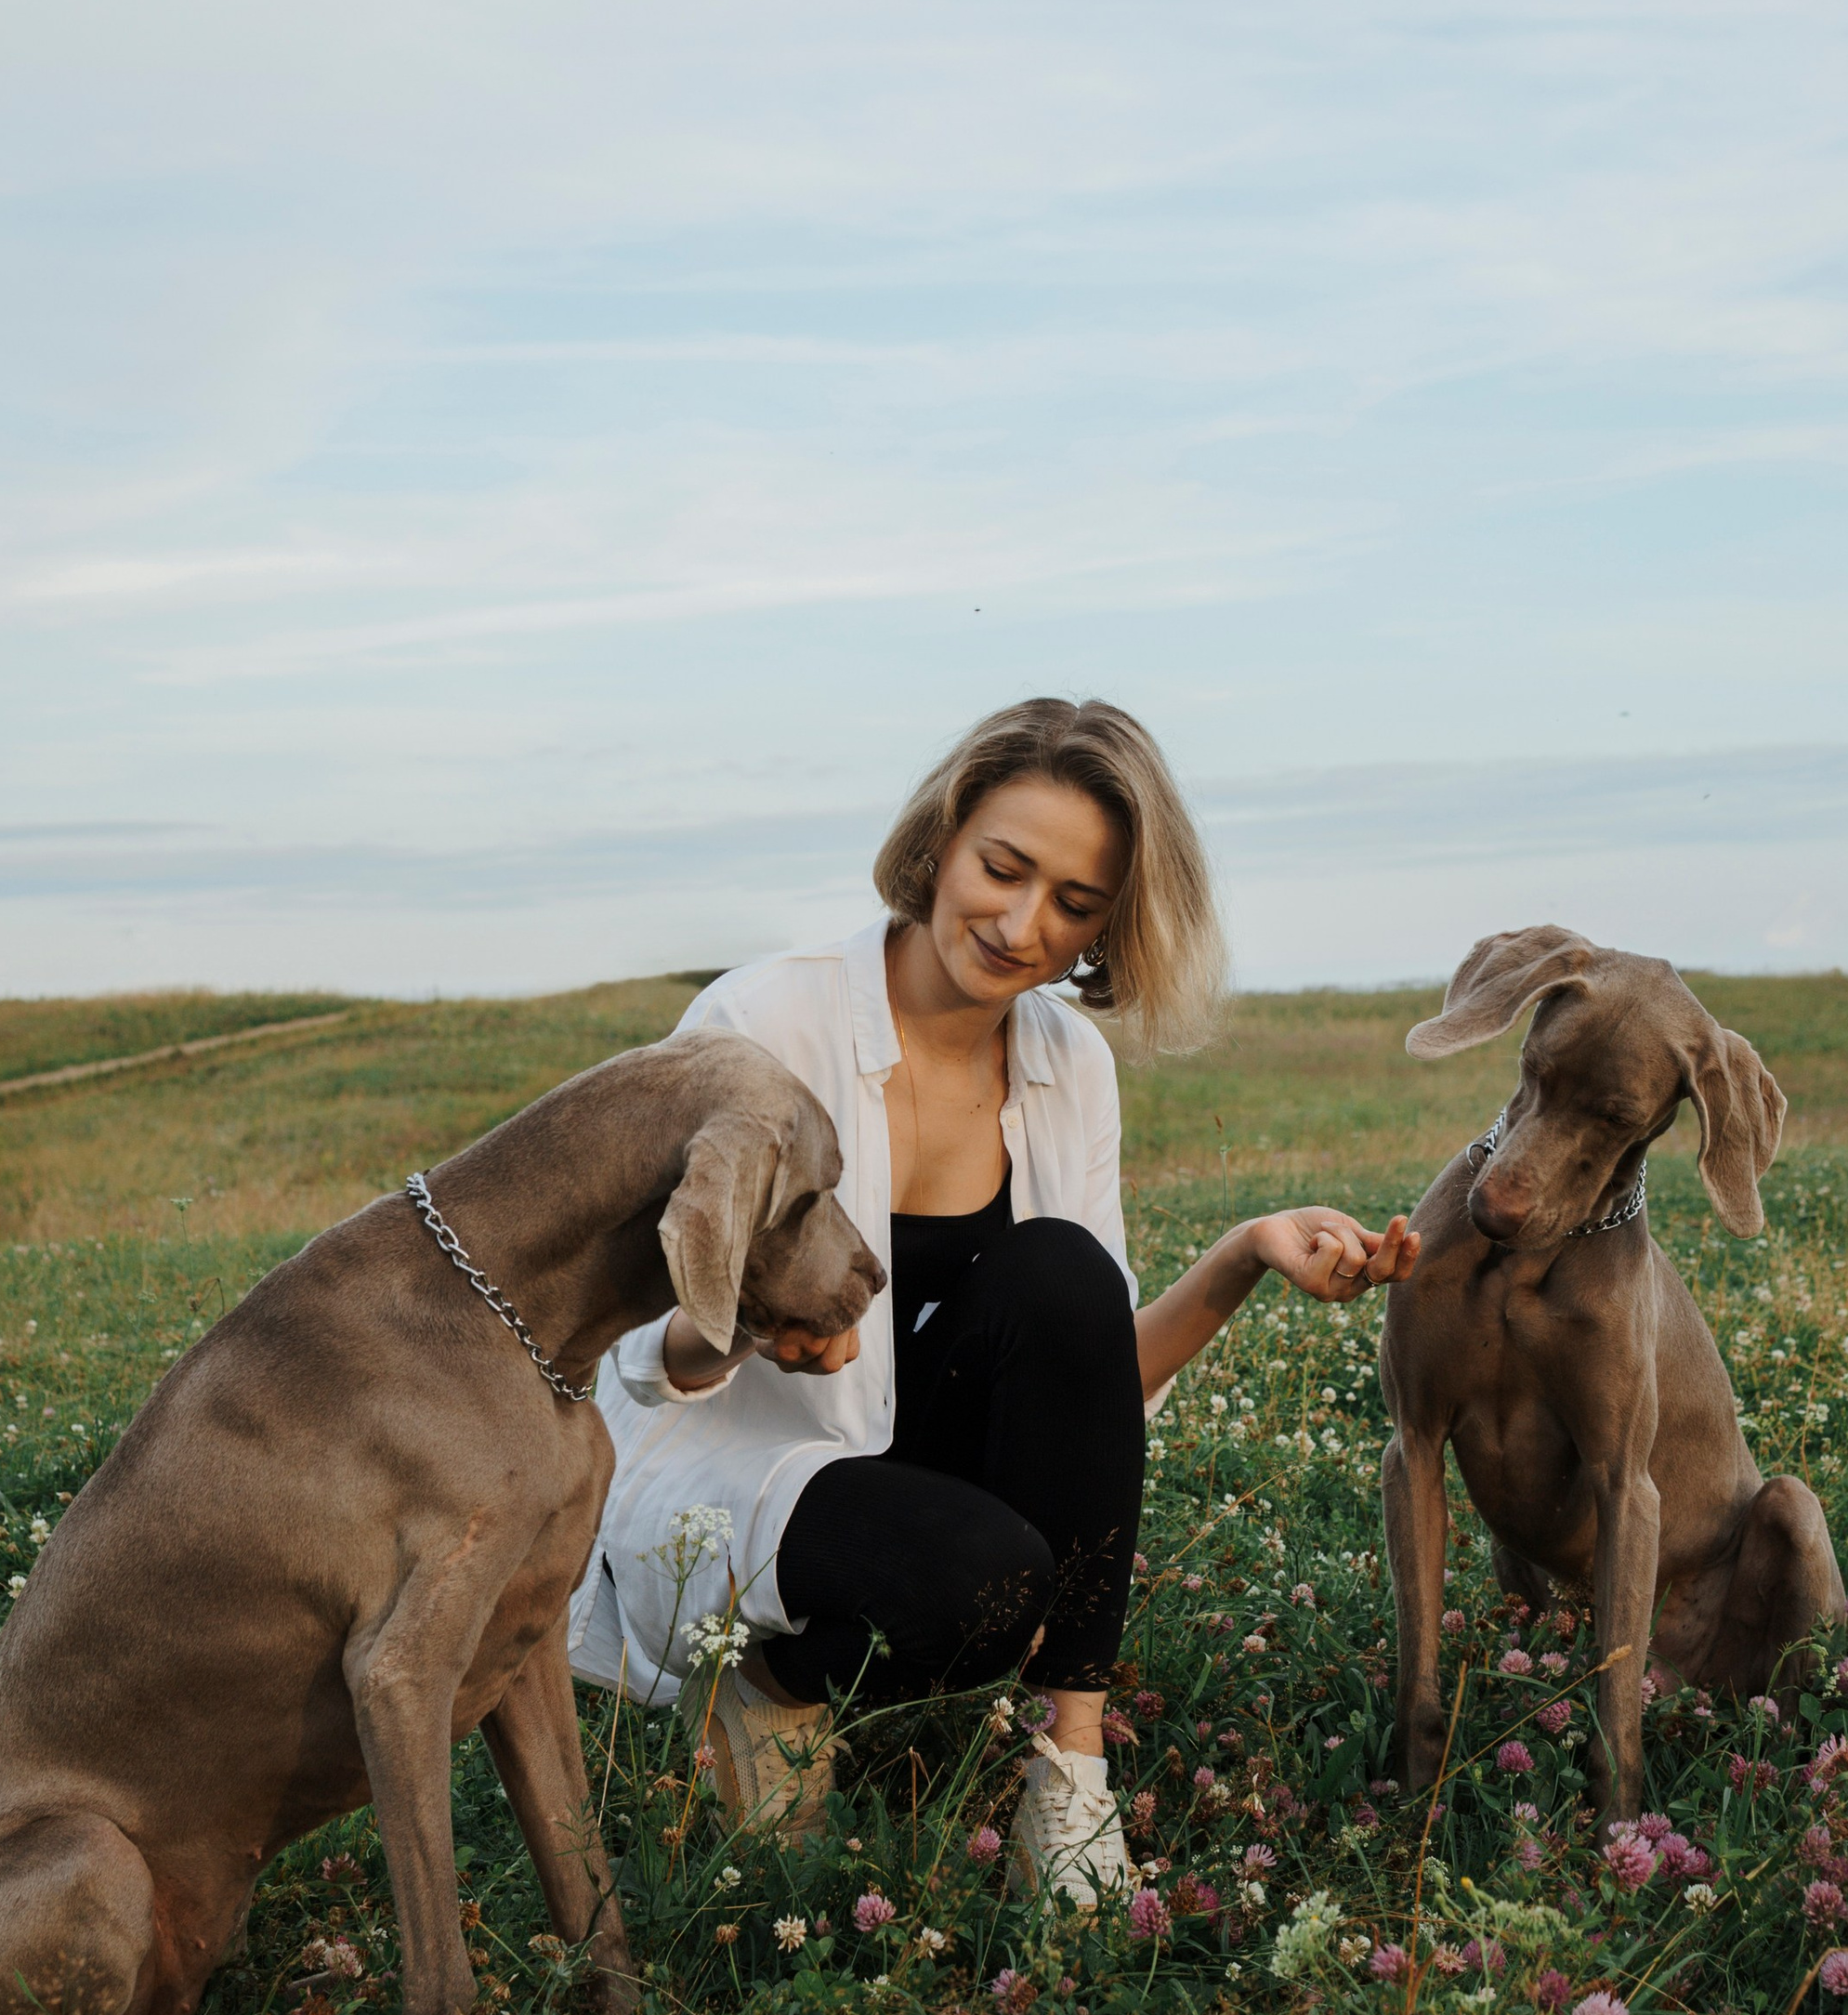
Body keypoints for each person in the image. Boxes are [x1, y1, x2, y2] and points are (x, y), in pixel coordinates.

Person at [571, 696, 1415, 1902]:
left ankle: (1067, 1785)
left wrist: (1243, 1254)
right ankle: (771, 1683)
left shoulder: (1070, 1065)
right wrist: (746, 1323)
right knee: (969, 1583)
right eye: (1004, 869)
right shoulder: (761, 1023)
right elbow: (621, 1344)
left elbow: (1088, 1386)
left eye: (1076, 905)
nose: (1024, 926)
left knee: (1059, 1271)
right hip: (729, 1472)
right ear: (944, 834)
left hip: (911, 1466)